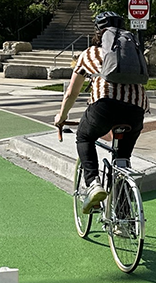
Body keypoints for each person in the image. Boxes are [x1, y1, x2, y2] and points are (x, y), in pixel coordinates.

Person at [54, 11, 149, 212]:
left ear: (98, 32)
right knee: (122, 162)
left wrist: (61, 117)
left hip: (105, 106)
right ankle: (122, 217)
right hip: (136, 110)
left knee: (84, 136)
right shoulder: (131, 53)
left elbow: (72, 92)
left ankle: (93, 184)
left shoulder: (89, 53)